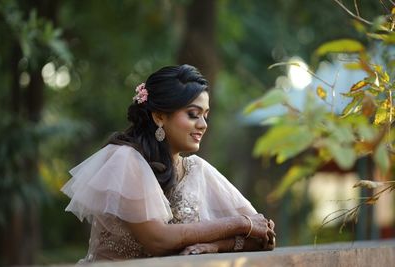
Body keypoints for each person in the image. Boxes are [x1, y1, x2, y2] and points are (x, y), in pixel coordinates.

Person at [61, 64, 276, 262]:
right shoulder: (125, 160)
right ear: (159, 117)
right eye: (193, 114)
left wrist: (215, 246)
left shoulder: (197, 170)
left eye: (206, 115)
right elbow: (158, 240)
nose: (202, 124)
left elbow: (263, 235)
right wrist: (239, 224)